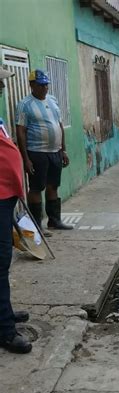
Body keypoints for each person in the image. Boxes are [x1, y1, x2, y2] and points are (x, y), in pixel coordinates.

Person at [15, 69, 73, 232]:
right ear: (32, 85)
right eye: (41, 85)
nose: (44, 88)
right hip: (36, 153)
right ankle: (36, 225)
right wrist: (25, 158)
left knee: (53, 185)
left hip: (55, 151)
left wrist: (63, 150)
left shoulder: (53, 100)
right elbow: (20, 131)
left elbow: (59, 125)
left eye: (46, 85)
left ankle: (54, 220)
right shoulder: (24, 105)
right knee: (36, 188)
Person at [0, 68, 32, 354]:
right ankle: (5, 331)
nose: (1, 86)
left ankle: (5, 314)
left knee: (3, 265)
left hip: (6, 197)